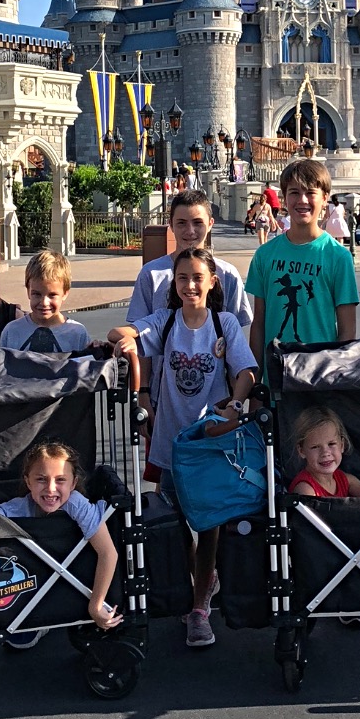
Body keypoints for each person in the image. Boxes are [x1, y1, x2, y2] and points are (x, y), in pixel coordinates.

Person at [110, 247, 257, 648]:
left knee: (208, 527)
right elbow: (126, 333)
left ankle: (198, 608)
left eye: (197, 277)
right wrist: (124, 339)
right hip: (171, 443)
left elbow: (245, 371)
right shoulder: (166, 320)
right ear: (173, 285)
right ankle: (195, 585)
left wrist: (236, 404)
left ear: (213, 281)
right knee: (173, 524)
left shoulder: (224, 324)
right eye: (182, 279)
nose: (190, 285)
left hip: (208, 446)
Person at [0, 442, 123, 638]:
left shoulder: (77, 504)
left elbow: (108, 553)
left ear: (73, 483)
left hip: (79, 581)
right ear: (28, 482)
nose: (51, 489)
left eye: (60, 480)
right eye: (41, 480)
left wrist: (96, 605)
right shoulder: (20, 506)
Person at [246, 158, 360, 364]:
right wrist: (256, 382)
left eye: (310, 192)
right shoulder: (265, 255)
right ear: (284, 199)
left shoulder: (338, 257)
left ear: (325, 198)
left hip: (319, 377)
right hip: (276, 377)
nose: (302, 200)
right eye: (294, 193)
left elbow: (347, 331)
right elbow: (259, 324)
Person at [128, 190, 253, 326]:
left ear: (210, 224)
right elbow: (138, 330)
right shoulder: (151, 274)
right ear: (171, 224)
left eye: (197, 223)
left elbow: (240, 329)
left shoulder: (227, 274)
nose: (190, 231)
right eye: (181, 223)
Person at [0, 250, 92, 352]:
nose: (44, 302)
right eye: (37, 294)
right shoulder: (11, 331)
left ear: (65, 293)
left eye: (52, 295)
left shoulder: (77, 333)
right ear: (28, 291)